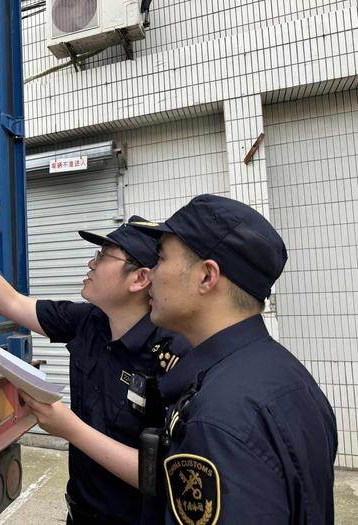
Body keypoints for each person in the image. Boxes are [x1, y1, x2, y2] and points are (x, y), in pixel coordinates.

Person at [22, 194, 338, 524]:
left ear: (206, 277)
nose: (152, 276)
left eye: (160, 260)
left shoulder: (218, 414)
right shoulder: (287, 376)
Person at [0, 200, 189, 525]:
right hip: (79, 512)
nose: (91, 263)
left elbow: (166, 474)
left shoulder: (172, 354)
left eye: (103, 256)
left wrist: (68, 428)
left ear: (140, 279)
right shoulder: (88, 321)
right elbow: (10, 302)